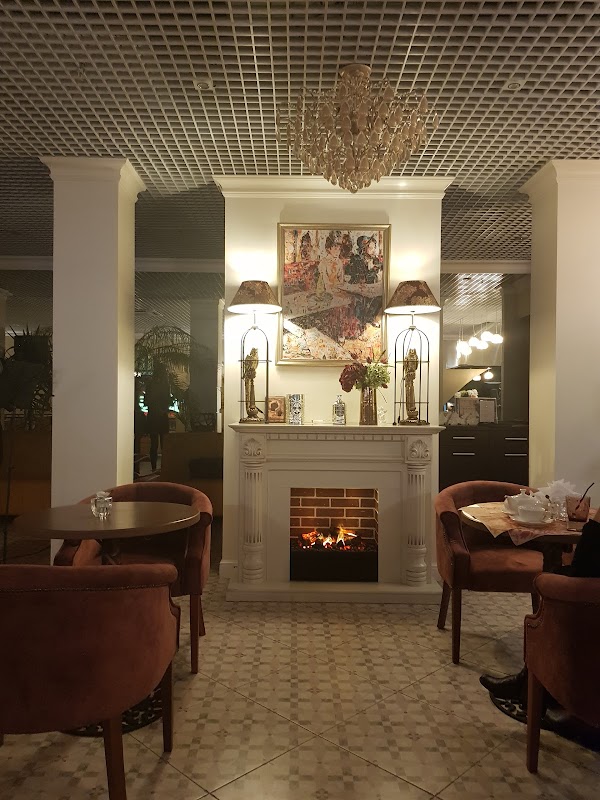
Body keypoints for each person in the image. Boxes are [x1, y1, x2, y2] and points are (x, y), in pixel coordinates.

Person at [480, 504, 600, 706]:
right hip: (586, 592)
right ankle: (534, 682)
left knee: (554, 595)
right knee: (557, 585)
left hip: (585, 598)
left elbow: (586, 563)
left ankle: (537, 688)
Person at [144, 362, 171, 472]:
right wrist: (163, 409)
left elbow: (146, 401)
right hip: (162, 417)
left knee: (154, 444)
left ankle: (153, 468)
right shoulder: (165, 385)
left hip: (153, 417)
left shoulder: (151, 384)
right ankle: (164, 467)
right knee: (164, 444)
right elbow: (168, 401)